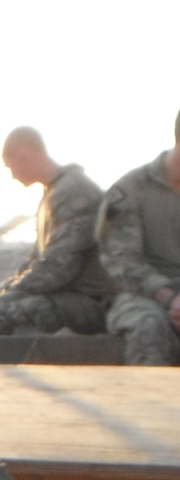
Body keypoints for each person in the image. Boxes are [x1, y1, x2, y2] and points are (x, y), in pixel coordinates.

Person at [0, 126, 114, 362]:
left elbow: (57, 268)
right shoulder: (53, 194)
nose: (12, 175)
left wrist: (2, 300)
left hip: (89, 302)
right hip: (66, 297)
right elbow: (34, 263)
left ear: (22, 156)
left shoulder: (74, 191)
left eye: (10, 166)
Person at [97, 110, 180, 365]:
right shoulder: (130, 190)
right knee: (149, 326)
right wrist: (170, 297)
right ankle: (151, 404)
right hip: (140, 295)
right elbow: (124, 263)